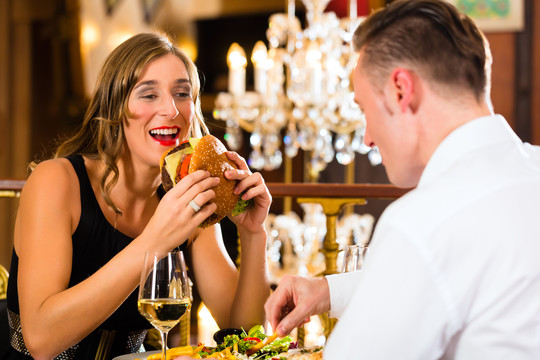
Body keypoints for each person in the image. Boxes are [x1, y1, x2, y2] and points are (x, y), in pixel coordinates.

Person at [265, 0, 540, 358]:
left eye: (364, 108)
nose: (367, 137)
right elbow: (466, 276)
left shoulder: (423, 221)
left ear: (400, 90)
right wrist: (329, 291)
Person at [6, 32, 271, 359]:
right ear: (115, 107)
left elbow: (243, 334)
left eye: (182, 93)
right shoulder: (56, 181)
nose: (171, 110)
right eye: (148, 95)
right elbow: (41, 341)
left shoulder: (190, 196)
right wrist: (155, 241)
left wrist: (254, 233)